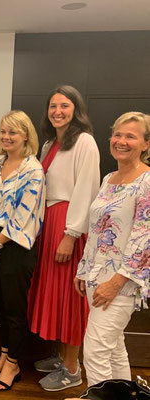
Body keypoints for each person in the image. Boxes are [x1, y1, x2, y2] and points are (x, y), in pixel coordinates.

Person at [27, 85, 100, 392]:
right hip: (49, 223)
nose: (58, 111)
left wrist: (71, 235)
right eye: (53, 106)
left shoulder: (84, 142)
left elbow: (86, 189)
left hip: (68, 225)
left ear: (76, 109)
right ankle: (61, 357)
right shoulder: (48, 144)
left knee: (70, 299)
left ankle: (72, 368)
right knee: (55, 295)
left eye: (65, 106)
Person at [74, 111, 150, 387]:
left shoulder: (147, 182)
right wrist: (83, 271)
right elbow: (96, 230)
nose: (121, 141)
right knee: (114, 349)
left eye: (131, 136)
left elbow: (145, 241)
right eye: (117, 134)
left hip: (121, 284)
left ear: (146, 145)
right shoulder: (109, 179)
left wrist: (116, 283)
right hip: (97, 279)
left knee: (94, 353)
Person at [0, 110, 46, 391]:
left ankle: (15, 364)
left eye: (13, 132)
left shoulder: (33, 170)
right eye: (4, 131)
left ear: (26, 136)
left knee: (15, 309)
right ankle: (5, 354)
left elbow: (24, 214)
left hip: (15, 245)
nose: (6, 137)